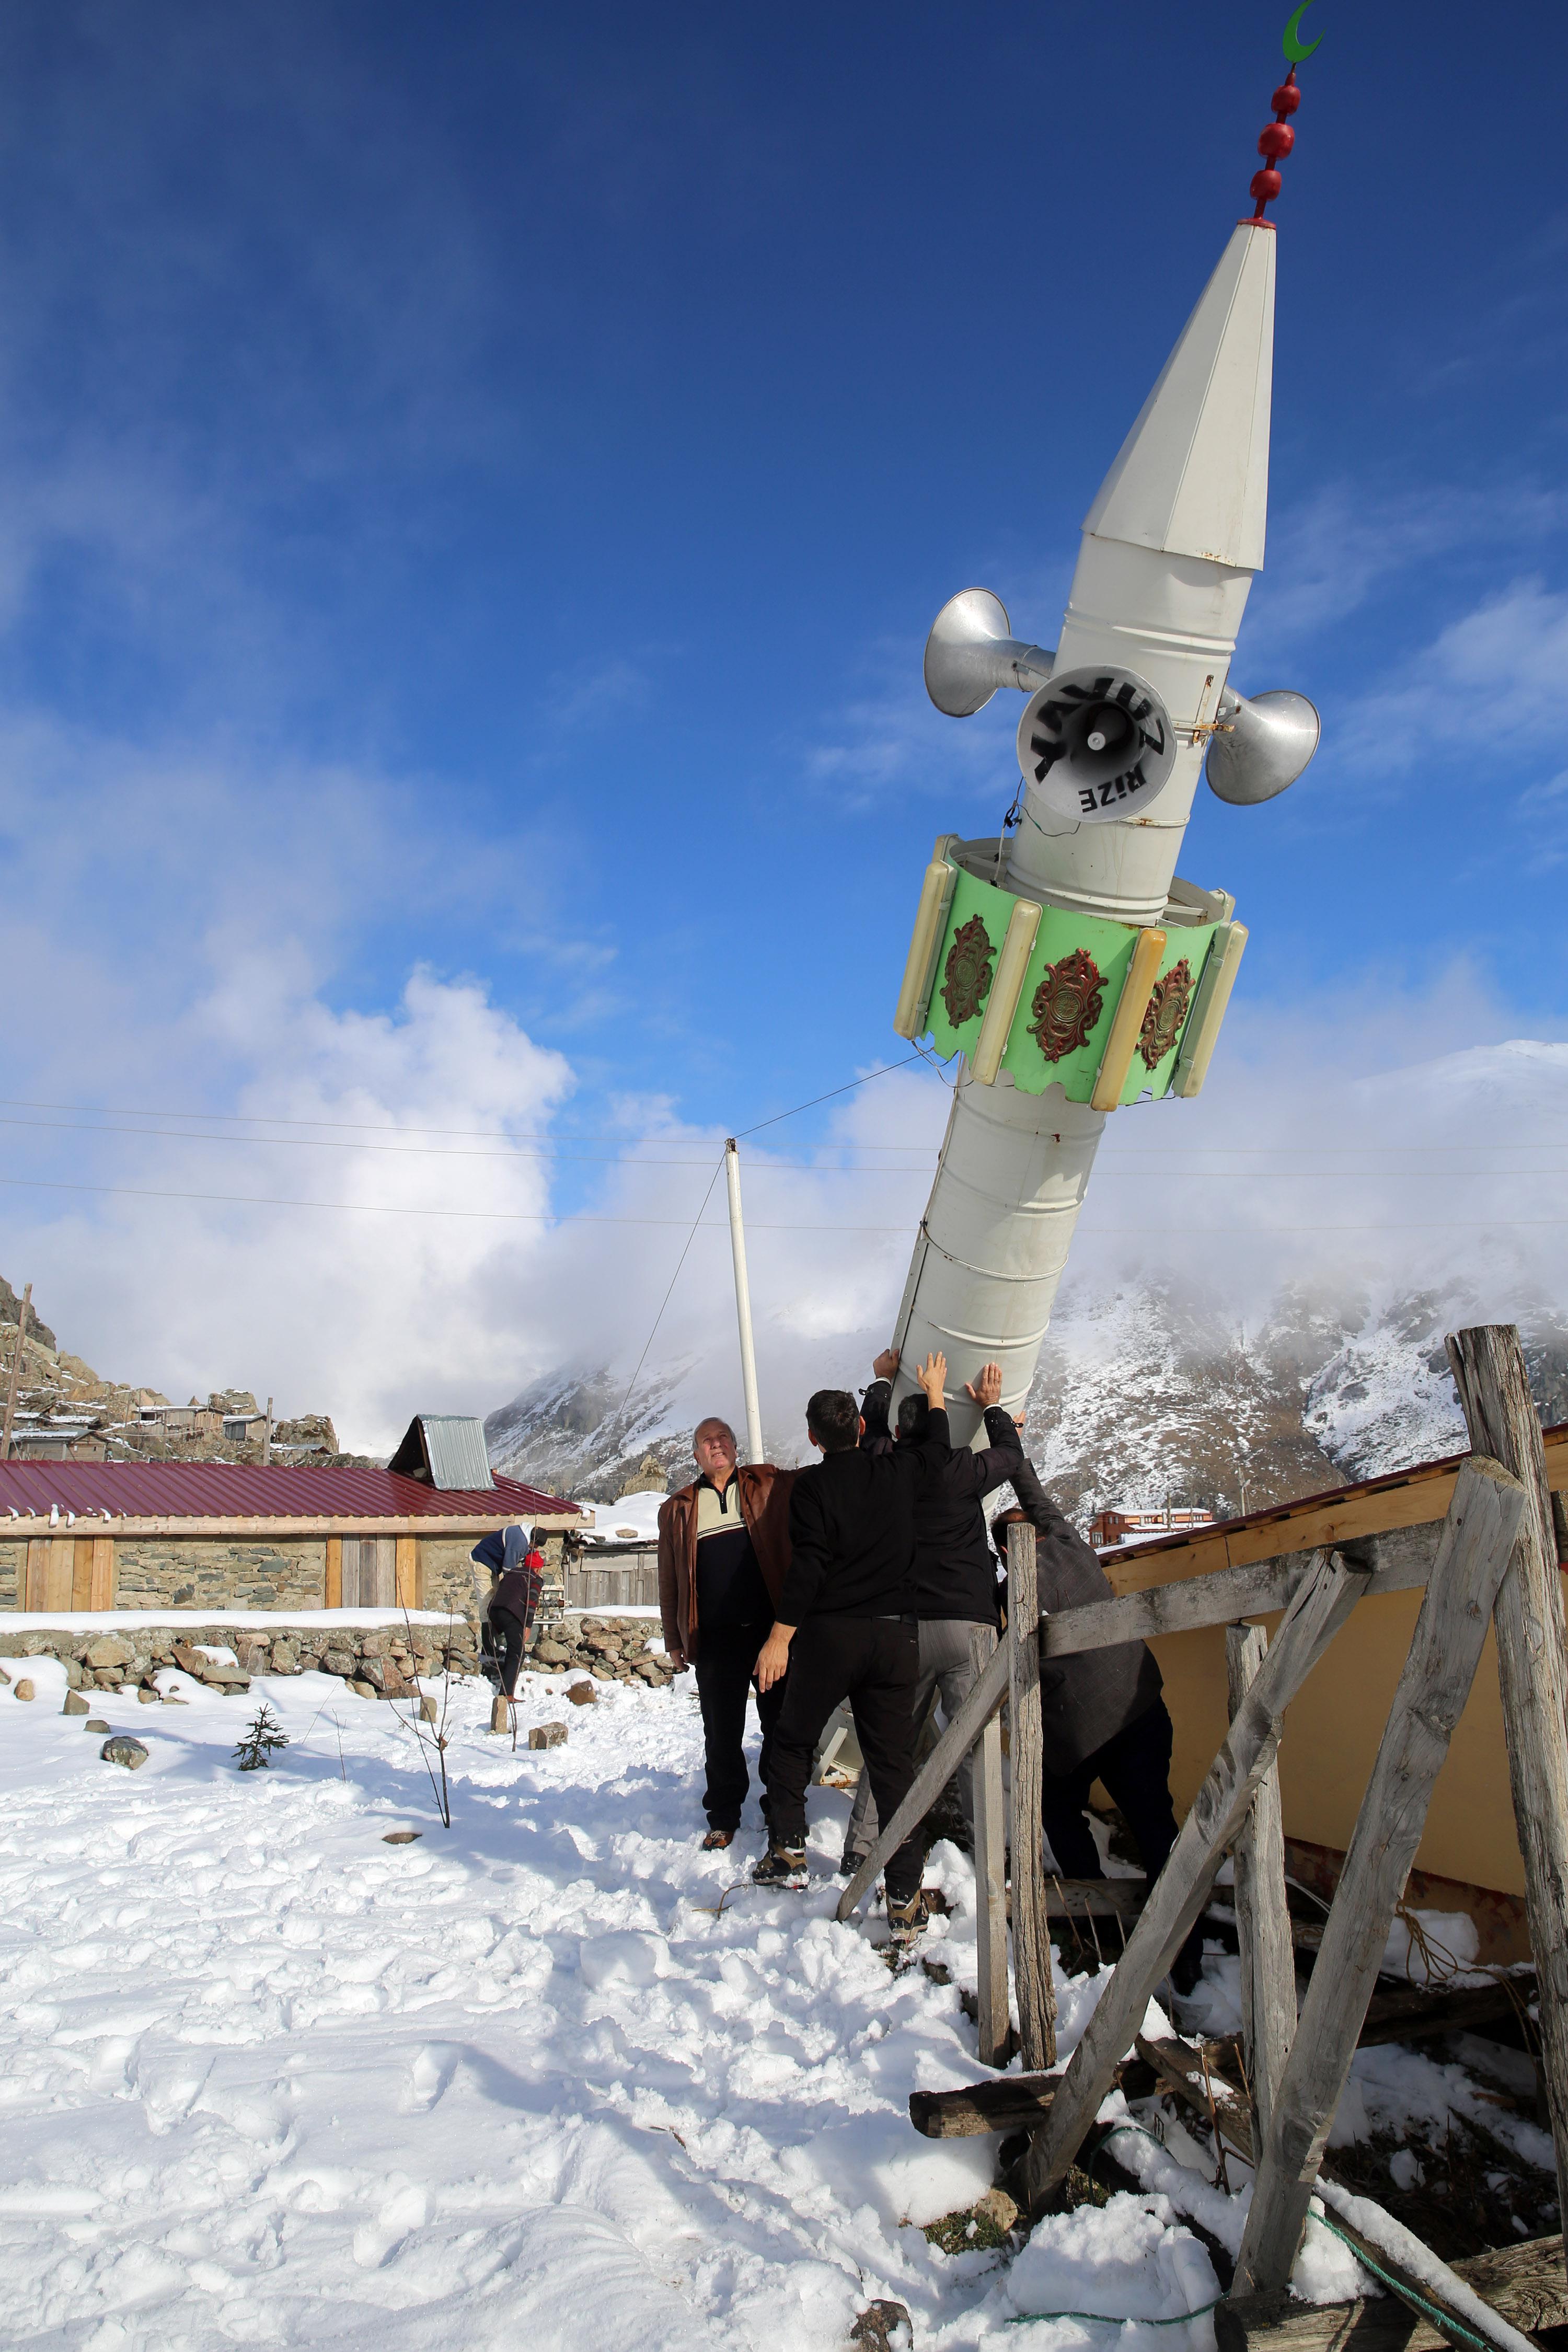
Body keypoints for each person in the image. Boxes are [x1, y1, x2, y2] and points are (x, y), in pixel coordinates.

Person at [991, 1433, 1203, 1995]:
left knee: (1057, 1811)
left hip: (1078, 1736)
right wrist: (1001, 1429)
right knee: (1156, 1826)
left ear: (1005, 1552)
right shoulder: (1069, 1542)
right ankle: (1185, 1950)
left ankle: (1094, 1912)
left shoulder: (1011, 1591)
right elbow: (1032, 1488)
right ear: (1036, 1532)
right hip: (1138, 1707)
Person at [752, 1351, 952, 1944]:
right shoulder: (898, 1472)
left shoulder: (810, 1490)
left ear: (814, 1439)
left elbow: (809, 1565)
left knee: (791, 1739)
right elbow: (936, 1452)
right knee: (894, 1766)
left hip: (832, 1634)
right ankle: (904, 1897)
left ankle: (788, 1852)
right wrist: (934, 1393)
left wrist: (780, 1637)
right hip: (897, 1635)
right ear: (861, 1427)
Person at [839, 1345, 1022, 1875]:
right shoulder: (961, 1469)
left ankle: (860, 1849)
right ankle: (996, 1852)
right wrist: (993, 1408)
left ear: (901, 1436)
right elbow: (1011, 1456)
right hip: (969, 1627)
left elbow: (870, 1434)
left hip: (907, 1629)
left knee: (890, 1744)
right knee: (975, 1744)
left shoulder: (885, 1469)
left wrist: (880, 1382)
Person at [658, 1416, 795, 1850]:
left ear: (735, 1448)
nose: (715, 1446)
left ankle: (782, 1809)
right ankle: (723, 1815)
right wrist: (674, 1639)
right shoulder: (679, 1508)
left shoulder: (767, 1484)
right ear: (696, 1455)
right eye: (706, 1442)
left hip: (767, 1635)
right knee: (721, 1732)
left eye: (722, 1439)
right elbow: (669, 1579)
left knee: (780, 1726)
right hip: (715, 1639)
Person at [471, 1524, 546, 1699]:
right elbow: (531, 1605)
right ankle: (507, 1694)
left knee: (491, 1616)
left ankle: (494, 1651)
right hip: (507, 1610)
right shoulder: (533, 1578)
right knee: (517, 1651)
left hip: (496, 1610)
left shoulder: (516, 1573)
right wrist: (527, 1626)